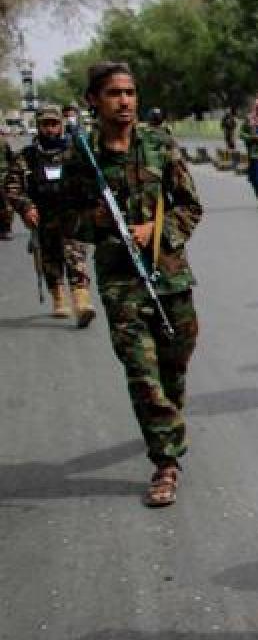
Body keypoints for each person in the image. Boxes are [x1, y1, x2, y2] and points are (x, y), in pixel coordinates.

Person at [62, 61, 202, 508]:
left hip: (170, 276)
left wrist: (155, 234)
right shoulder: (82, 156)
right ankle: (165, 462)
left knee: (172, 367)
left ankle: (170, 425)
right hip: (122, 284)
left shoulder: (160, 146)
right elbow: (63, 218)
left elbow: (190, 206)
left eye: (130, 93)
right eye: (113, 94)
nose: (124, 102)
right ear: (93, 101)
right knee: (142, 373)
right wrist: (95, 221)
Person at [4, 105, 97, 325]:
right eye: (45, 124)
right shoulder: (26, 156)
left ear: (61, 125)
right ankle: (58, 298)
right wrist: (25, 207)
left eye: (54, 124)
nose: (50, 129)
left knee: (76, 256)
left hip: (71, 215)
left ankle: (82, 302)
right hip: (43, 216)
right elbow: (12, 187)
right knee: (50, 259)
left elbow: (91, 179)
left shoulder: (75, 152)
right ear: (38, 127)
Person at [0, 128, 14, 241]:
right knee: (6, 205)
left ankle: (6, 229)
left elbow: (11, 158)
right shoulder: (3, 141)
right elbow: (11, 158)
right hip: (4, 176)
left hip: (3, 177)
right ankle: (6, 229)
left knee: (6, 205)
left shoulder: (3, 142)